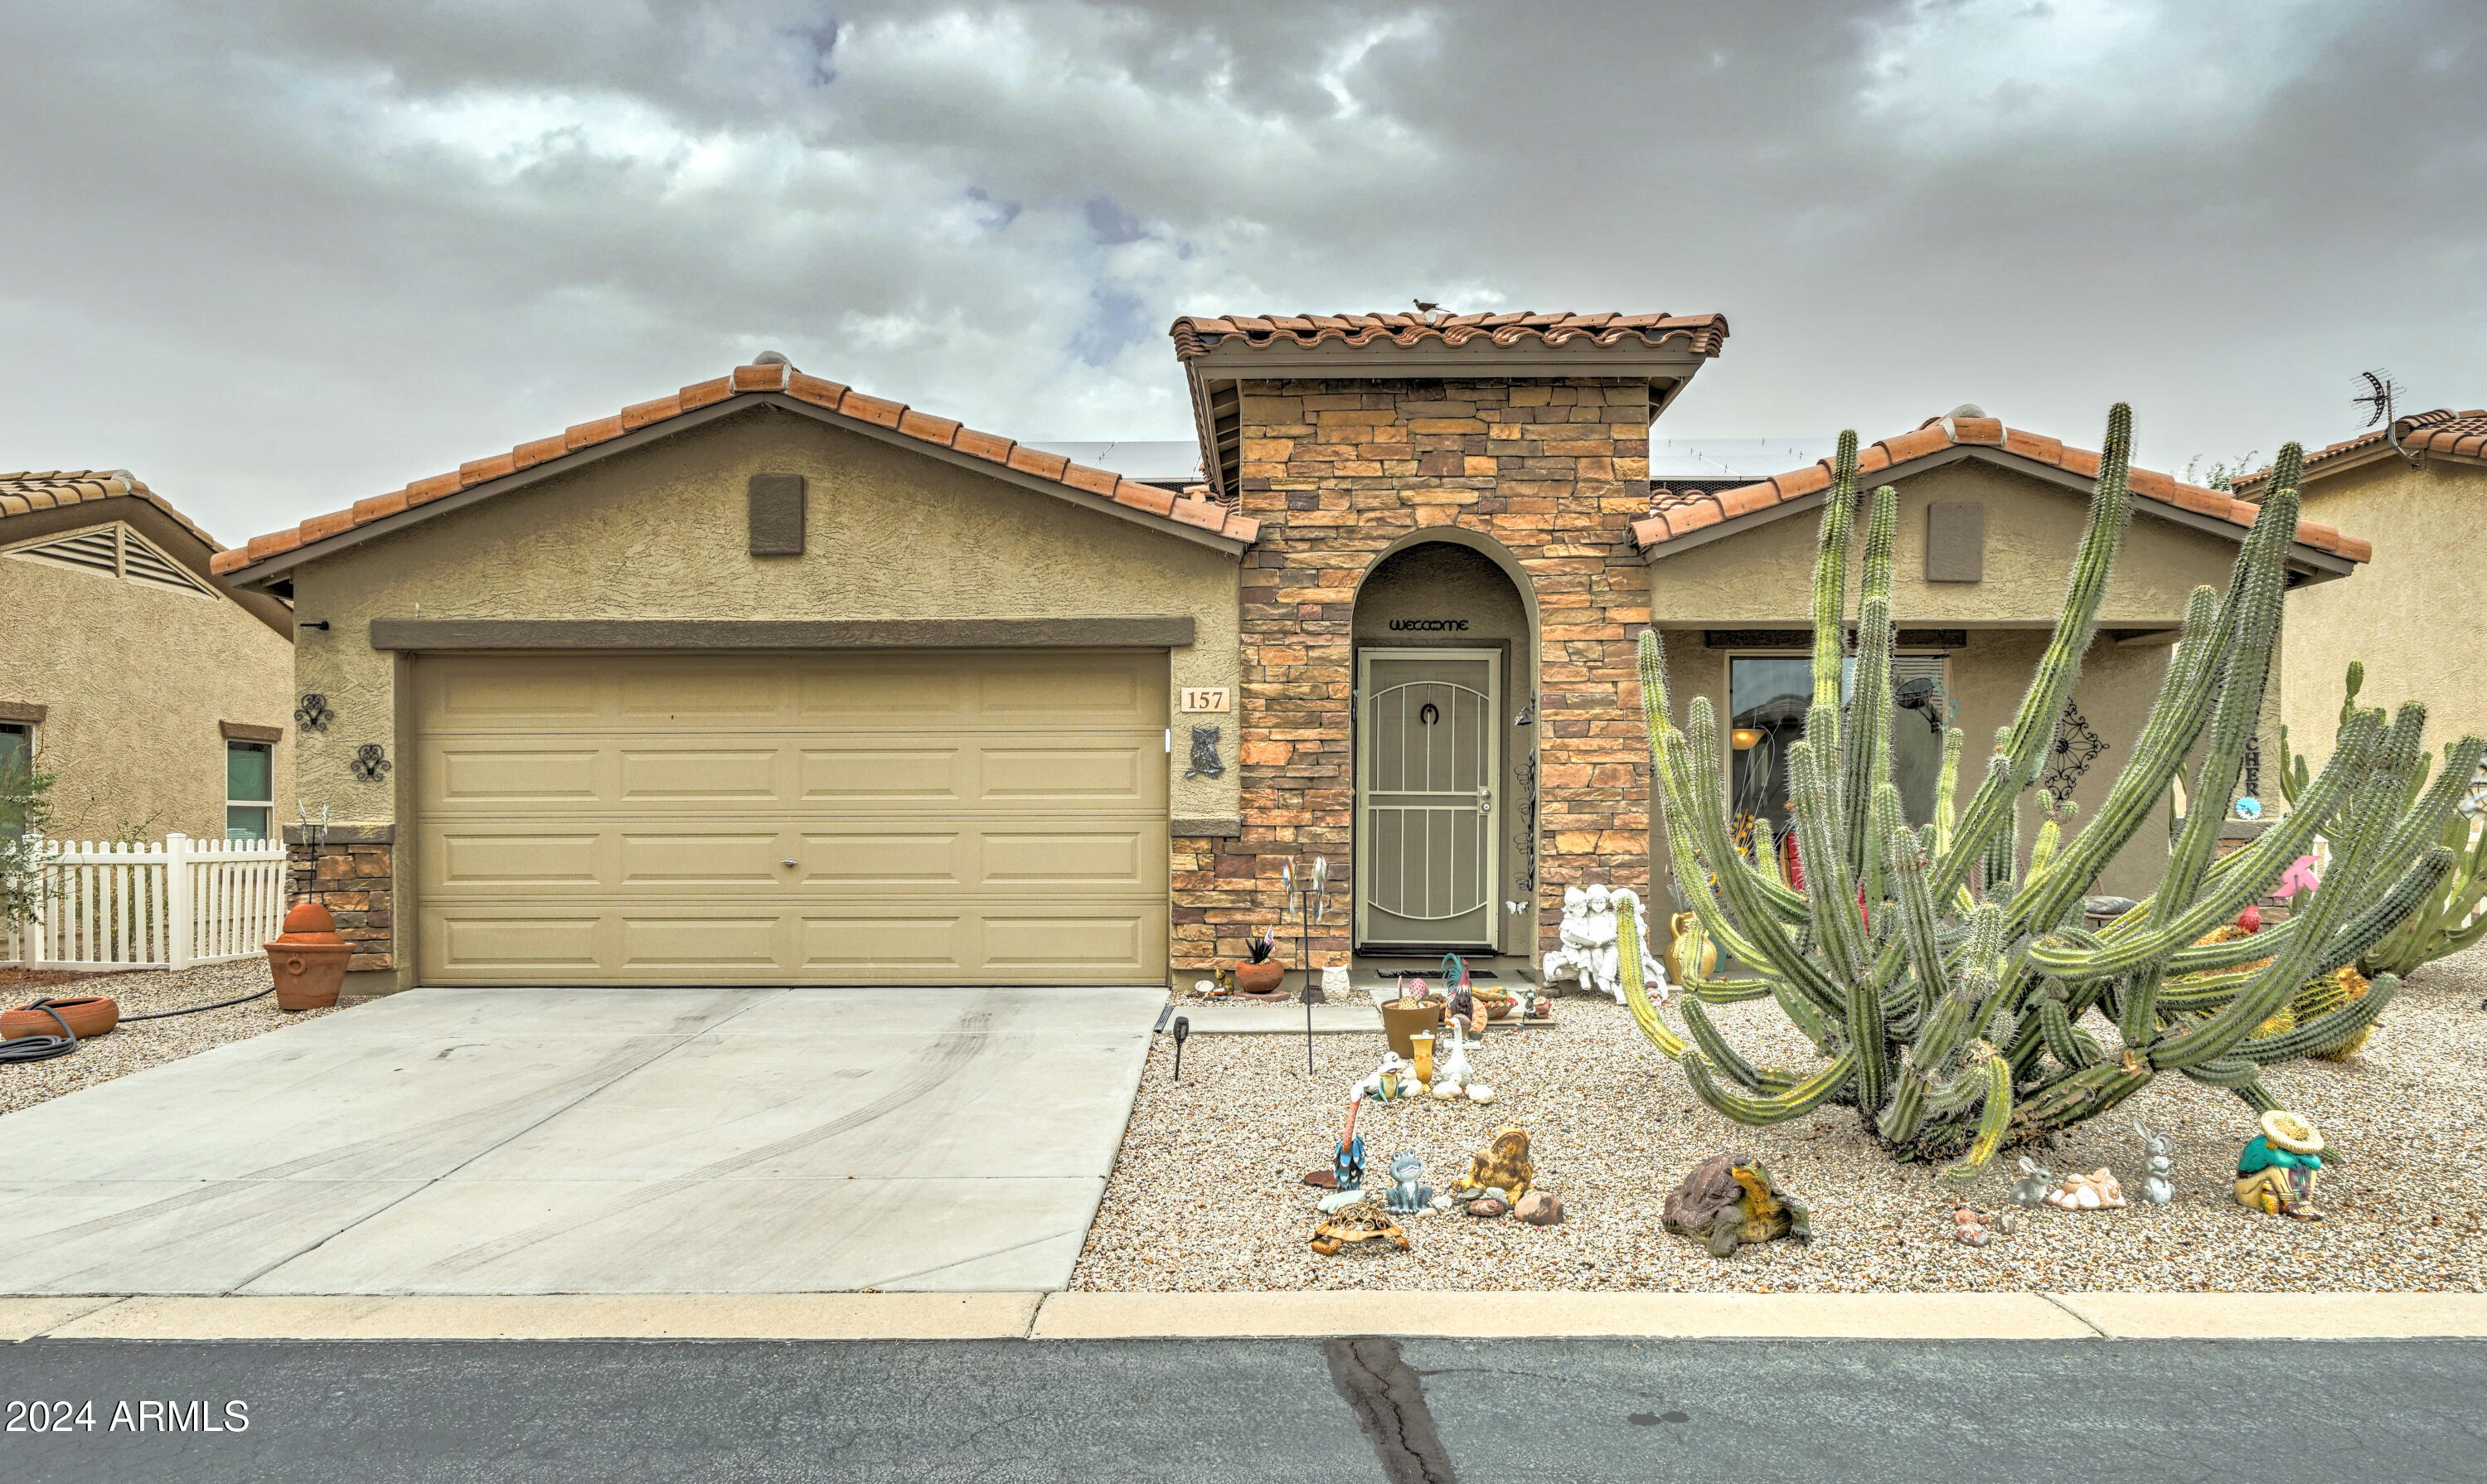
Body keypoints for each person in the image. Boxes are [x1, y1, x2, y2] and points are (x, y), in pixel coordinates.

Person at [2233, 1109, 2325, 1219]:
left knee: (2307, 1167)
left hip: (2263, 1183)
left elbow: (2315, 1162)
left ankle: (2305, 1200)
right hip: (2247, 1186)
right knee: (2276, 1170)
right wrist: (2299, 1155)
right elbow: (2284, 1161)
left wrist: (2300, 1155)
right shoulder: (2265, 1144)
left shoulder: (2287, 1151)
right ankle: (2289, 1202)